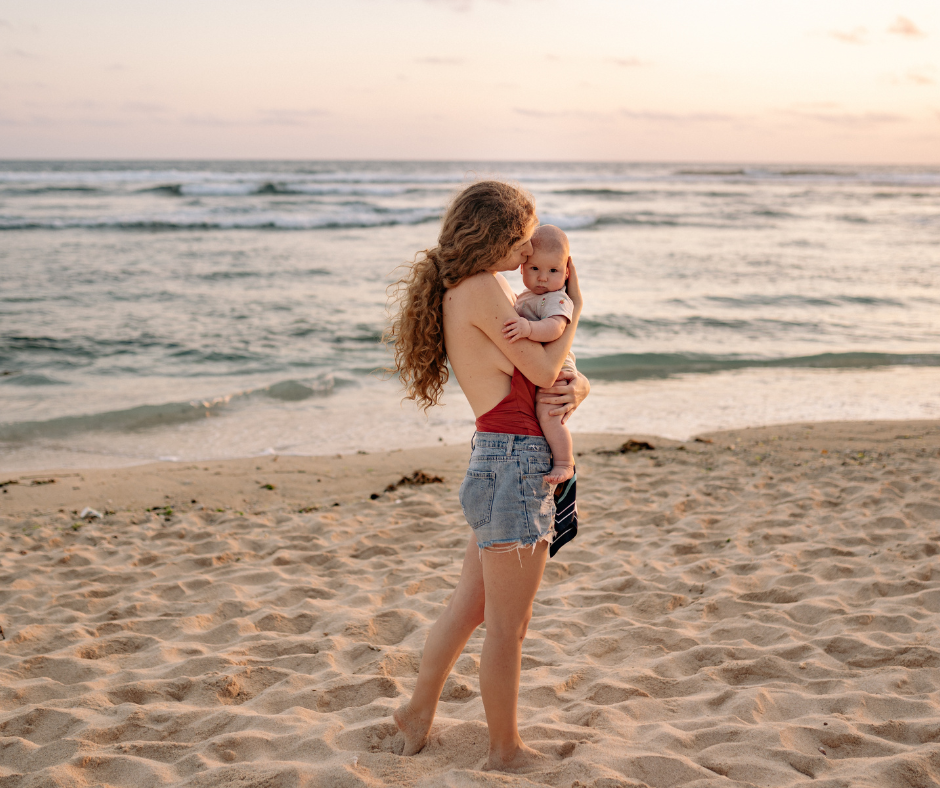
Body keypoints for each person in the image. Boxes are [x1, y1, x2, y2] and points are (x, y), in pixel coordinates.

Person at [385, 181, 590, 772]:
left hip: (498, 458)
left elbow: (560, 379)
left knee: (470, 609)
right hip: (516, 466)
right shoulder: (480, 289)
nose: (530, 250)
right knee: (508, 626)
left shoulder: (480, 288)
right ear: (498, 235)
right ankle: (505, 752)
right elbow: (548, 364)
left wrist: (577, 386)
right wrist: (580, 311)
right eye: (524, 236)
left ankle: (417, 713)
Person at [501, 224, 577, 484]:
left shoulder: (558, 299)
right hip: (544, 365)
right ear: (523, 268)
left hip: (558, 368)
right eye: (535, 269)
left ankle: (565, 462)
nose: (543, 277)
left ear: (566, 273)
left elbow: (555, 329)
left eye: (553, 270)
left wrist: (528, 328)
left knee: (549, 414)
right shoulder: (526, 296)